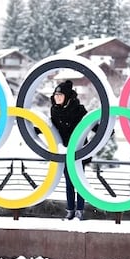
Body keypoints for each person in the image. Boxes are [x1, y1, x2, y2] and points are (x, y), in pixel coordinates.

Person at [50, 80, 89, 221]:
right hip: (65, 150)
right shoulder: (54, 110)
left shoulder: (78, 109)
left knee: (79, 181)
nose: (57, 97)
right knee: (68, 182)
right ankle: (70, 210)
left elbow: (89, 122)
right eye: (56, 95)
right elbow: (52, 125)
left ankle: (80, 210)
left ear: (66, 96)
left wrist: (105, 131)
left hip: (79, 151)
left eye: (60, 95)